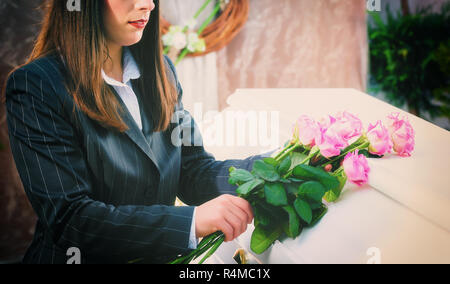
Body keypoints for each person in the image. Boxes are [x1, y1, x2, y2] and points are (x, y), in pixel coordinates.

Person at [4, 0, 268, 264]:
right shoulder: (36, 85)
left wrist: (271, 170)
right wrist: (192, 222)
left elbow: (193, 171)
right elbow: (73, 219)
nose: (147, 5)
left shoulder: (162, 71)